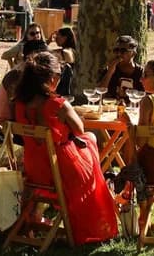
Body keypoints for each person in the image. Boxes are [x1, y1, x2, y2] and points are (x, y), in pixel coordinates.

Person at [14, 52, 118, 245]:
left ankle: (42, 220)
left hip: (33, 168)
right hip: (58, 170)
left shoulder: (20, 103)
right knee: (90, 140)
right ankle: (90, 223)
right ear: (52, 78)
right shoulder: (57, 104)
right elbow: (79, 129)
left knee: (88, 141)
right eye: (59, 75)